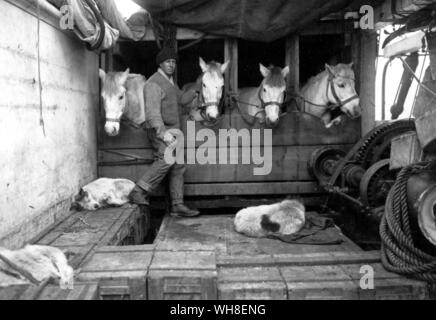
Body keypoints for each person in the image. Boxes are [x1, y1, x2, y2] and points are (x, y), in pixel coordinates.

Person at [129, 46, 200, 217]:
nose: (171, 65)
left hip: (174, 131)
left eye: (174, 62)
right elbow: (152, 113)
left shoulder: (170, 82)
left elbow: (181, 100)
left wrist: (195, 90)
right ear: (160, 63)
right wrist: (163, 133)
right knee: (166, 160)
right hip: (162, 131)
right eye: (168, 62)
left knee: (178, 166)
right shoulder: (153, 83)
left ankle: (177, 204)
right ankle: (138, 190)